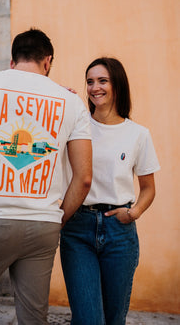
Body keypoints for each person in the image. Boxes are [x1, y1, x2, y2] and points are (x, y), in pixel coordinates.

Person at [0, 28, 92, 325]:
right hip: (43, 226)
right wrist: (56, 218)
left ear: (12, 60)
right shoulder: (71, 102)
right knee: (34, 318)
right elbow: (84, 178)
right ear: (48, 61)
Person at [60, 57, 160, 325]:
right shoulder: (75, 125)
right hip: (77, 228)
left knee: (115, 318)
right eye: (90, 81)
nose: (95, 88)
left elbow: (148, 188)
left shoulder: (138, 134)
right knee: (88, 318)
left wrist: (134, 212)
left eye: (102, 80)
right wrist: (62, 101)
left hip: (119, 231)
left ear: (117, 85)